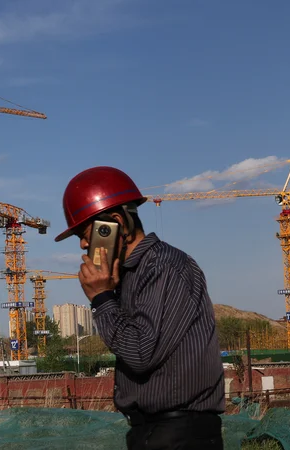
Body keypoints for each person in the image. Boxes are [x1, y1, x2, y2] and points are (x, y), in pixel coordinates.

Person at [55, 166, 225, 450]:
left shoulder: (164, 266)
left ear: (117, 222)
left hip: (181, 434)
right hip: (153, 431)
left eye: (86, 233)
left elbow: (140, 352)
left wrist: (101, 297)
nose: (84, 244)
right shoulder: (127, 275)